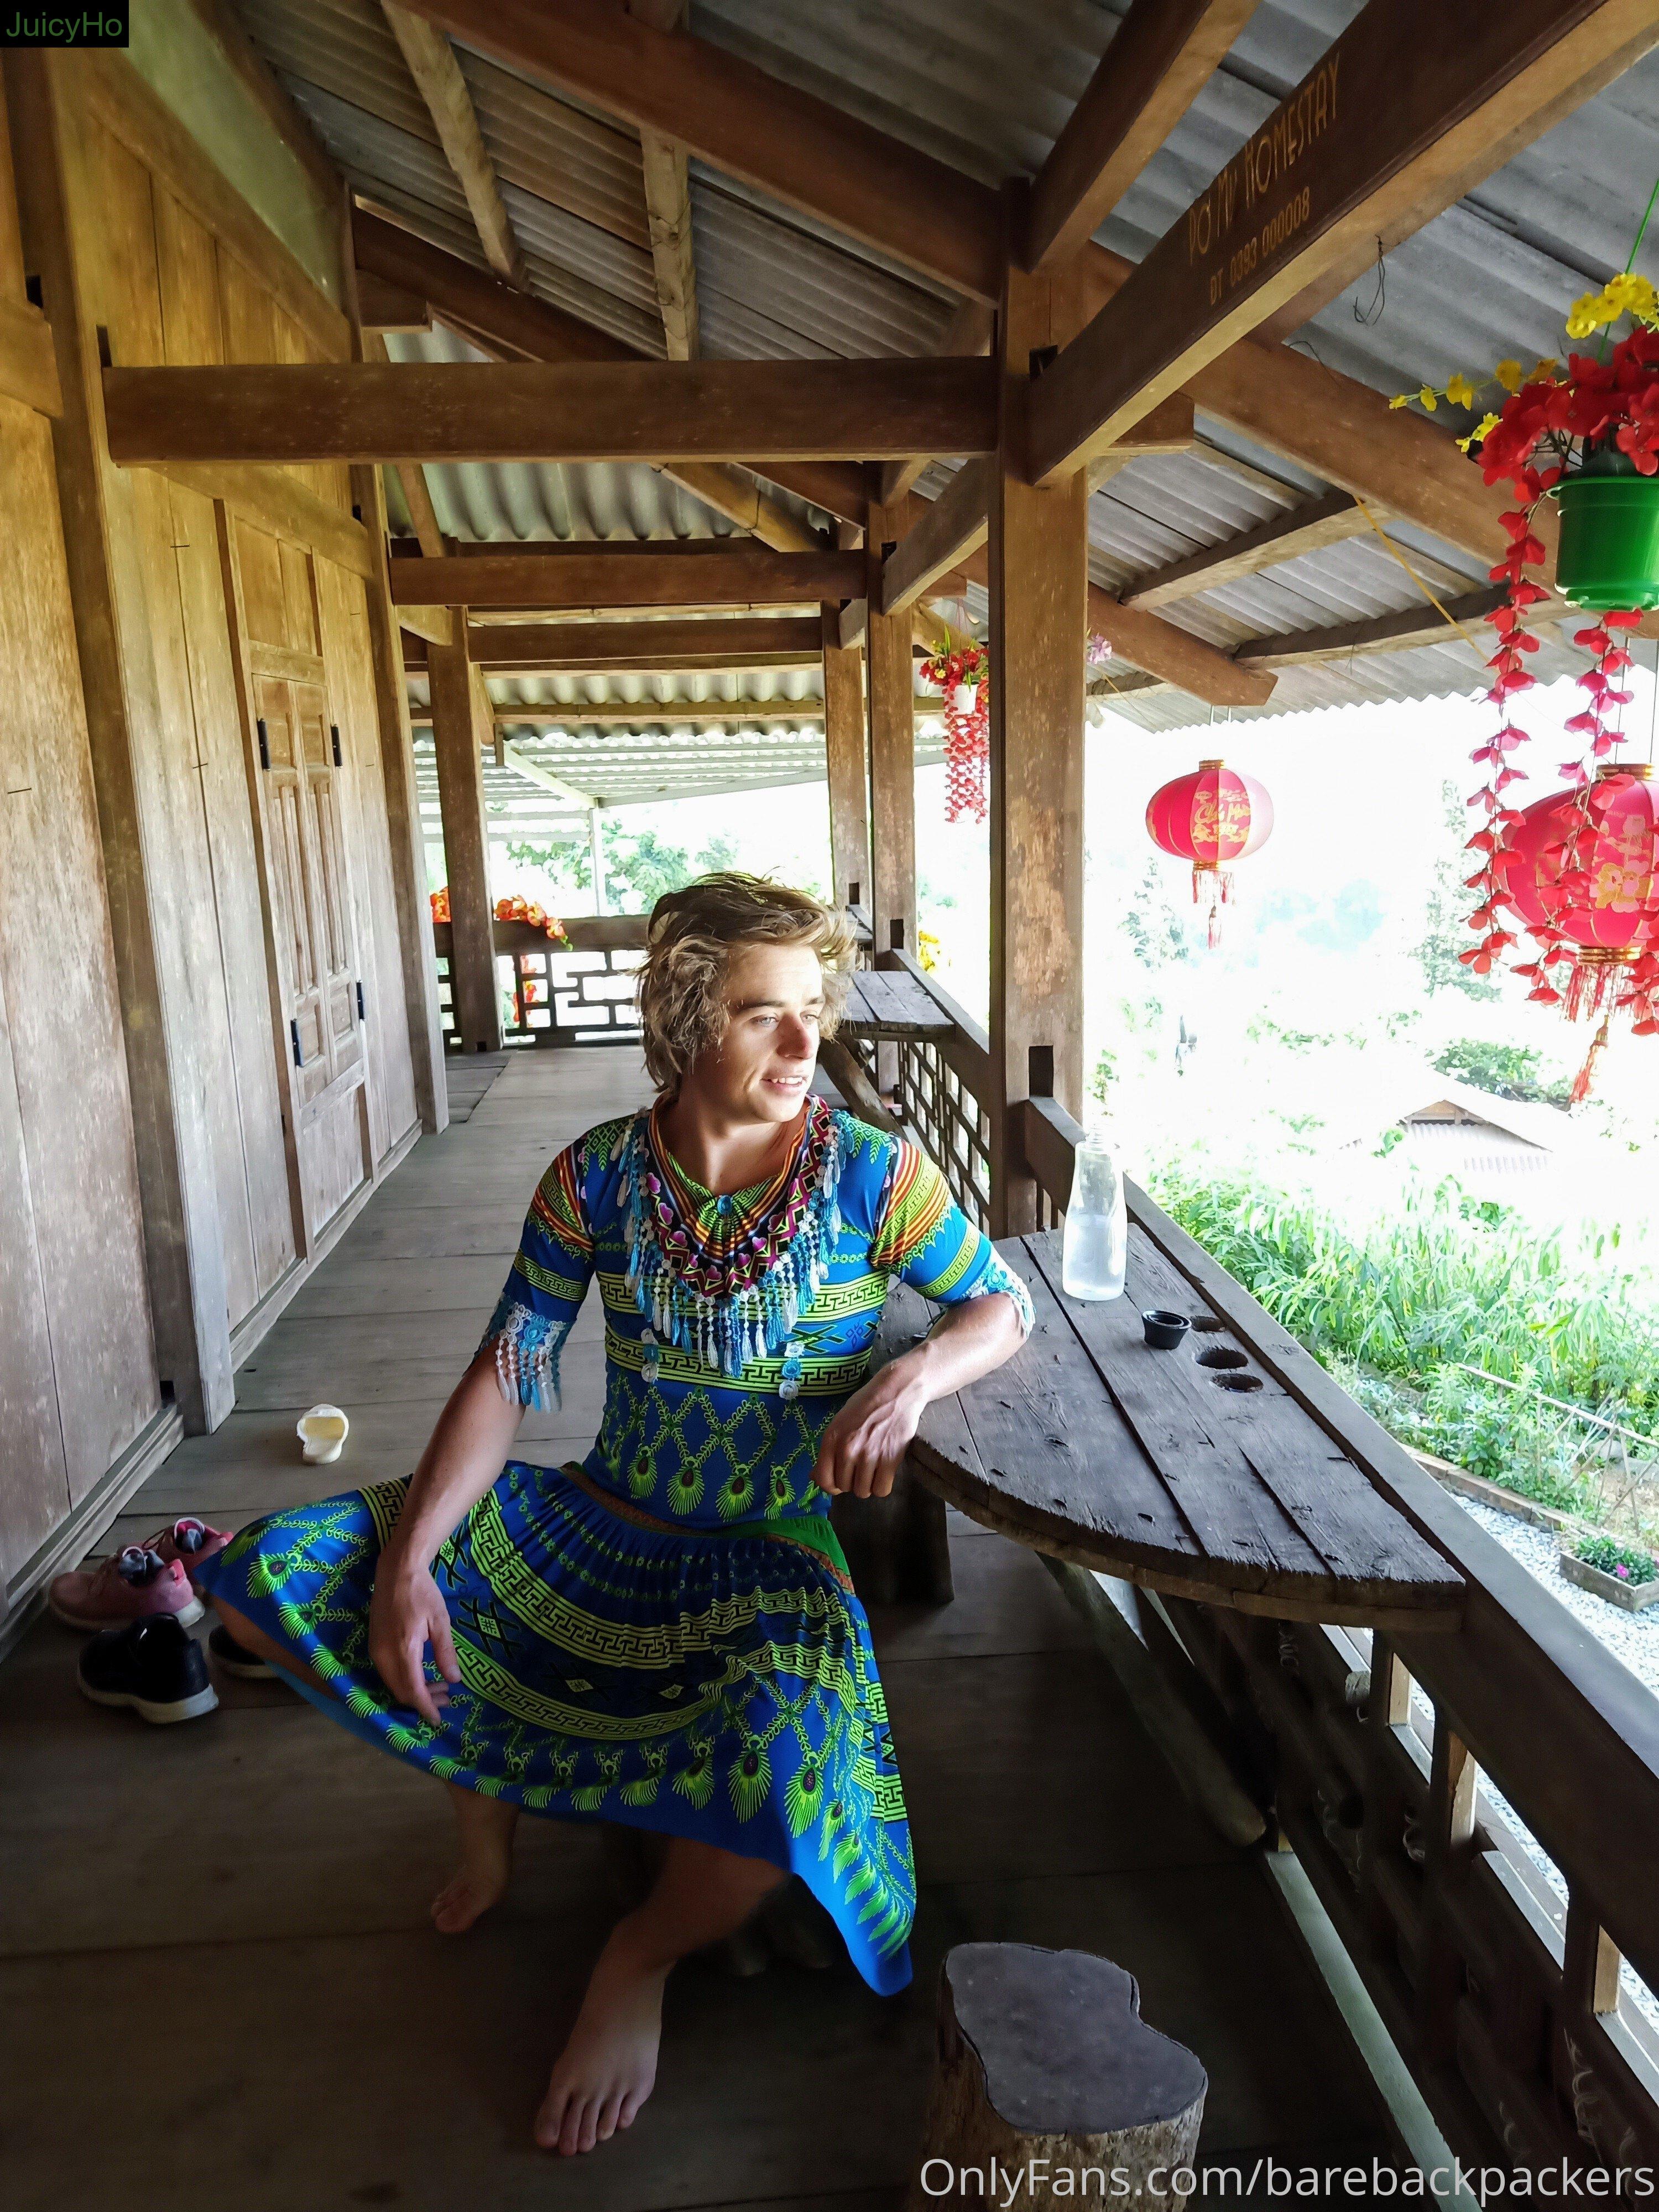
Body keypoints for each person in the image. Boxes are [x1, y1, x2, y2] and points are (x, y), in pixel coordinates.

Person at [195, 873, 1032, 2156]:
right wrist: (411, 1561)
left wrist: (910, 1376)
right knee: (289, 1565)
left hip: (768, 1550)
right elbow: (506, 1372)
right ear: (688, 1020)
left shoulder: (875, 1176)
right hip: (601, 1511)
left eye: (814, 1009)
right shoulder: (594, 1179)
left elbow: (999, 1307)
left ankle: (638, 1955)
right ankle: (487, 1818)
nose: (807, 1046)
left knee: (793, 1767)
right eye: (766, 1015)